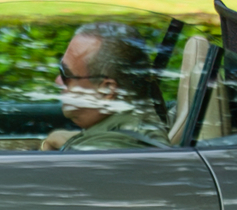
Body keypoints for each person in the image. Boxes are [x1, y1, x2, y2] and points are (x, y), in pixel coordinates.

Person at [42, 22, 170, 150]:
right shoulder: (125, 131)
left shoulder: (106, 150)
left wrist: (54, 147)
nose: (57, 81)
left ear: (107, 90)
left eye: (66, 75)